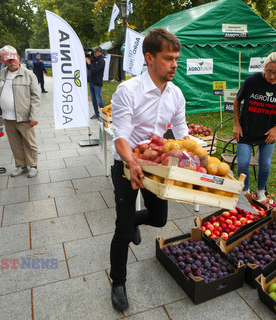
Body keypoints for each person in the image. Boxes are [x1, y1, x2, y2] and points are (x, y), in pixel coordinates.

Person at [109, 28, 188, 311]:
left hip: (156, 165)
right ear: (149, 58)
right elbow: (120, 136)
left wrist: (202, 161)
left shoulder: (177, 95)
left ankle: (134, 222)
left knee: (159, 219)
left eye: (176, 58)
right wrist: (132, 162)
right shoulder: (127, 91)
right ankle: (118, 282)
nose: (174, 64)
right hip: (127, 166)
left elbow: (182, 135)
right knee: (121, 228)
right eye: (168, 58)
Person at [233, 51, 276, 201]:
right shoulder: (252, 80)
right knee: (243, 163)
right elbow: (236, 101)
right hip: (246, 130)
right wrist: (237, 125)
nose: (272, 76)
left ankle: (261, 191)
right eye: (269, 71)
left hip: (268, 132)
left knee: (265, 163)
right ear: (264, 67)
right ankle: (245, 191)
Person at [0, 45, 41, 178]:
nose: (11, 62)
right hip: (8, 117)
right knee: (15, 143)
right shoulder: (3, 72)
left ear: (17, 58)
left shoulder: (29, 75)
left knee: (29, 142)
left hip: (24, 116)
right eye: (7, 60)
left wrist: (33, 116)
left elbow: (35, 97)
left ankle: (32, 165)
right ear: (4, 61)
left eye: (13, 59)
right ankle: (21, 165)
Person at [88, 46, 105, 119]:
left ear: (100, 52)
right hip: (91, 82)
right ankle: (96, 113)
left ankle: (103, 113)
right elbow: (90, 68)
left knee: (98, 99)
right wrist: (88, 63)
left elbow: (95, 70)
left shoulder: (101, 61)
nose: (94, 53)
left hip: (97, 83)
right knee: (93, 99)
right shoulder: (95, 60)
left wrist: (89, 64)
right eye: (94, 52)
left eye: (95, 52)